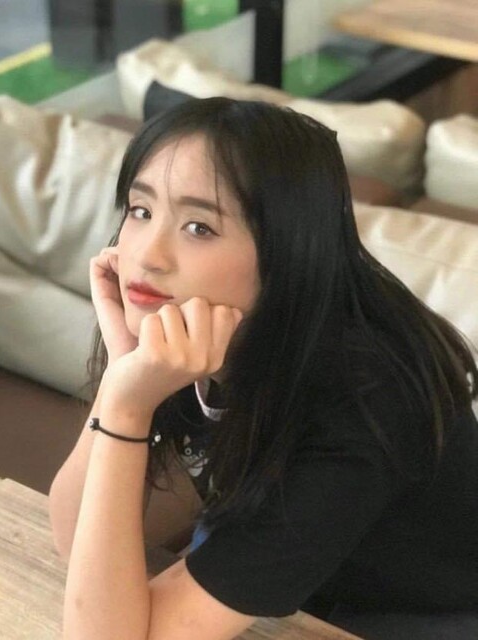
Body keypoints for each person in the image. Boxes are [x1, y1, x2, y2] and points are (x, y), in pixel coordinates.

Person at [49, 97, 478, 640]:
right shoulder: (191, 327)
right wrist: (121, 374)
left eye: (199, 227)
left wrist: (128, 409)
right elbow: (72, 538)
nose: (148, 255)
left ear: (286, 253)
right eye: (141, 210)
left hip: (420, 614)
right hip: (296, 568)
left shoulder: (365, 404)